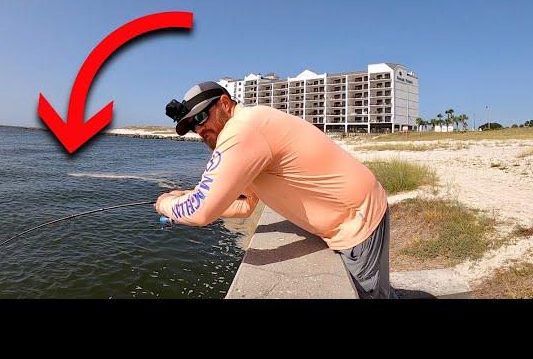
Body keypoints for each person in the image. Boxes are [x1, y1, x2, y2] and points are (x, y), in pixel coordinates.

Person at [156, 81, 393, 299]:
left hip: (358, 221)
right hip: (359, 210)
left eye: (201, 117)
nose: (199, 129)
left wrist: (164, 203)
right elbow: (245, 205)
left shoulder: (242, 129)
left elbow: (201, 212)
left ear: (225, 104)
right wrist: (189, 196)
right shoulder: (251, 128)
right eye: (191, 126)